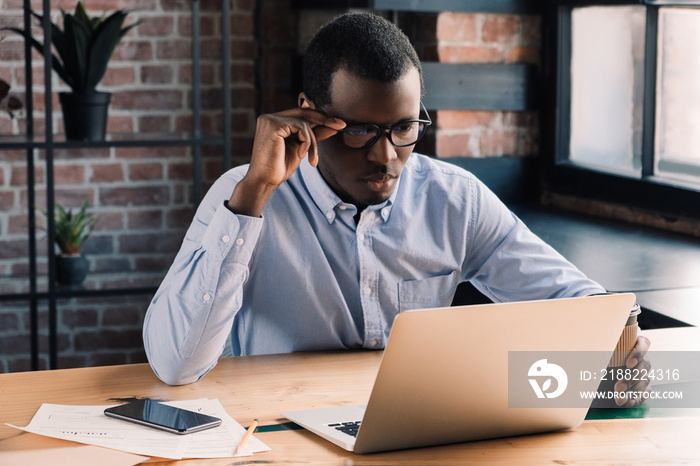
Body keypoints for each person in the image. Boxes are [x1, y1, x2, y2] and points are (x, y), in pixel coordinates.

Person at [143, 11, 650, 406]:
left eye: (404, 129)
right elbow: (175, 364)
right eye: (361, 130)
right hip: (272, 433)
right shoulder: (242, 194)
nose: (386, 157)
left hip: (405, 427)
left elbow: (575, 299)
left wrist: (615, 344)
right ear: (307, 117)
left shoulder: (454, 198)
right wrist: (253, 197)